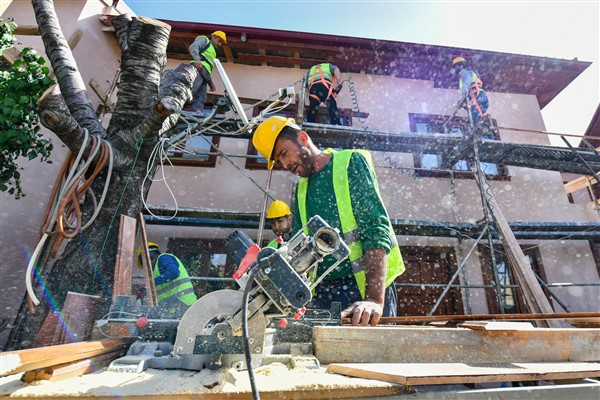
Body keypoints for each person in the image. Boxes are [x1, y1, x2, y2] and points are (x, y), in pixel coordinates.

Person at [252, 116, 405, 326]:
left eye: (284, 153)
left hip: (364, 289)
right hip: (323, 292)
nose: (285, 164)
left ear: (303, 138)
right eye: (279, 161)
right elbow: (298, 246)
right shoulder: (301, 189)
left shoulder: (348, 163)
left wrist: (374, 300)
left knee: (370, 356)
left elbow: (375, 229)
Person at [136, 242, 198, 306]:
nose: (147, 268)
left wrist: (151, 282)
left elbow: (173, 272)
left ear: (147, 259)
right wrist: (145, 290)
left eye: (144, 265)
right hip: (174, 306)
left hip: (183, 302)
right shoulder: (156, 271)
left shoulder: (164, 258)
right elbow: (161, 288)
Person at [188, 30, 227, 113]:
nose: (220, 44)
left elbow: (207, 69)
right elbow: (193, 47)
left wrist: (210, 83)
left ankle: (198, 112)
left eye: (221, 43)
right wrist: (197, 59)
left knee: (201, 96)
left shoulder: (213, 52)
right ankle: (176, 106)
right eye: (219, 41)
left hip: (204, 74)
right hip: (197, 69)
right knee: (191, 90)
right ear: (213, 37)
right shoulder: (204, 40)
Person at [451, 56, 489, 125]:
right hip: (479, 96)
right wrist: (462, 101)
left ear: (461, 66)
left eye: (455, 67)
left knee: (477, 121)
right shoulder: (462, 76)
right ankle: (486, 134)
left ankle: (482, 133)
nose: (454, 69)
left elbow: (466, 87)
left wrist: (462, 99)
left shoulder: (465, 73)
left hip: (477, 97)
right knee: (478, 120)